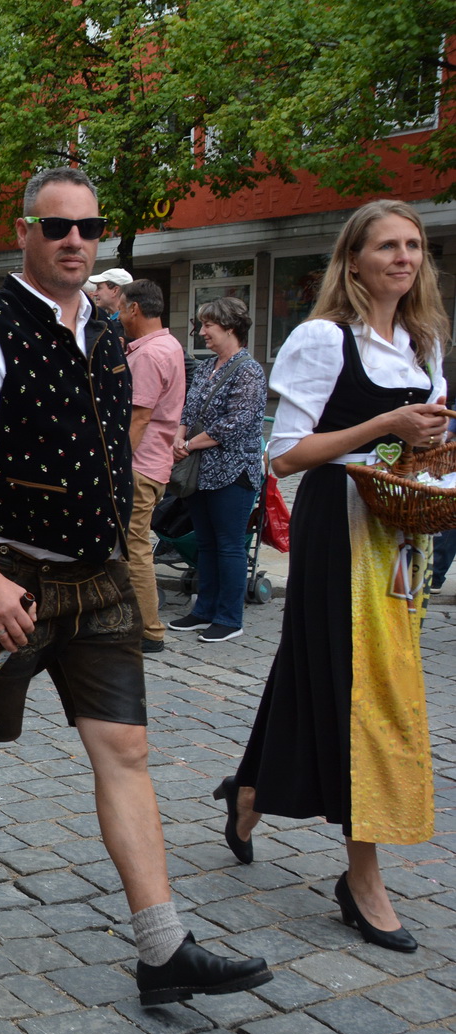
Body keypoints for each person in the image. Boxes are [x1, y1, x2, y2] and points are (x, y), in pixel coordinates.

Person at [0, 166, 271, 1004]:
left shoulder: (108, 333)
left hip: (100, 577)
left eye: (89, 227)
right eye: (58, 226)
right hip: (12, 580)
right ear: (26, 230)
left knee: (127, 747)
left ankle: (161, 946)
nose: (76, 240)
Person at [222, 200, 449, 953]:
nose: (403, 257)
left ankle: (250, 791)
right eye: (387, 245)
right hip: (338, 530)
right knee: (365, 694)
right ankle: (362, 878)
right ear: (352, 260)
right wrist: (387, 426)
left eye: (413, 245)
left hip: (398, 534)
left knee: (313, 670)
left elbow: (423, 440)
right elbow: (286, 455)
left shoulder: (424, 341)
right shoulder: (325, 338)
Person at [168, 297, 267, 642]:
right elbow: (189, 407)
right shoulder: (209, 365)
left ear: (230, 327)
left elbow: (236, 423)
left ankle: (229, 617)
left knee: (229, 545)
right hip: (199, 470)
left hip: (232, 472)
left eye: (209, 325)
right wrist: (180, 436)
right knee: (206, 543)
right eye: (202, 324)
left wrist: (189, 445)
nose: (203, 331)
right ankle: (203, 610)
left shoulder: (249, 369)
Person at [118, 279, 186, 653]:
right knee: (132, 542)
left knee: (135, 544)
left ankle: (149, 629)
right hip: (153, 462)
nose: (118, 315)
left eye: (121, 307)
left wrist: (116, 464)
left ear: (135, 309)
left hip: (140, 465)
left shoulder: (148, 354)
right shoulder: (169, 344)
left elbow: (139, 418)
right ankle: (135, 621)